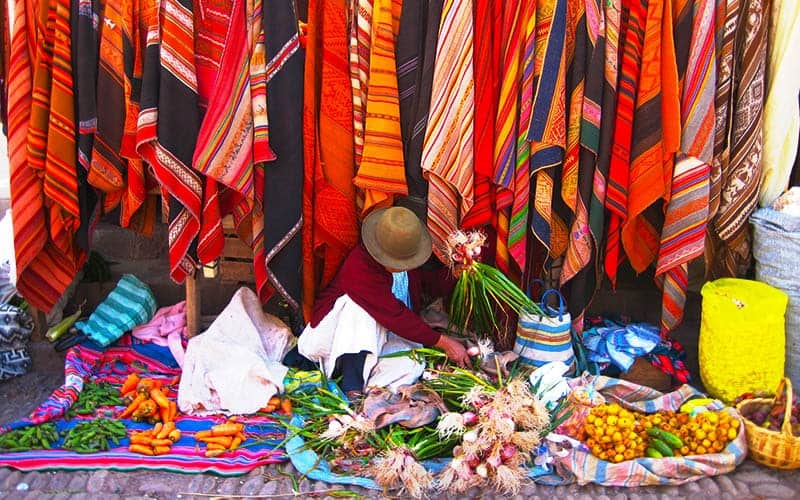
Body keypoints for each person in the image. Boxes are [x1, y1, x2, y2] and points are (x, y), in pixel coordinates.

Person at [296, 206, 470, 399]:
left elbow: (428, 286)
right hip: (336, 343)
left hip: (382, 339)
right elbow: (394, 314)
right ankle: (351, 386)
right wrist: (445, 343)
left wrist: (455, 275)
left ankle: (372, 392)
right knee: (358, 309)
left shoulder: (406, 264)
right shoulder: (359, 266)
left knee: (412, 362)